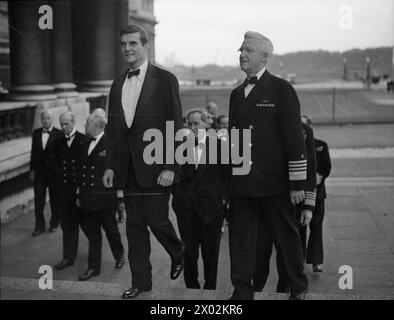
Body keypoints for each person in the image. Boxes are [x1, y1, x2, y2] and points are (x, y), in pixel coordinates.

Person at [103, 24, 184, 299]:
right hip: (127, 170)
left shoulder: (165, 79)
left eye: (133, 44)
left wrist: (171, 166)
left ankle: (178, 251)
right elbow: (113, 130)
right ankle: (141, 283)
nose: (127, 48)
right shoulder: (117, 84)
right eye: (123, 44)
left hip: (157, 166)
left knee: (158, 220)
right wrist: (110, 167)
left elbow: (175, 124)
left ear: (144, 46)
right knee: (135, 228)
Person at [228, 31, 308, 300]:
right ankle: (242, 291)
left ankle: (298, 288)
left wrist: (297, 183)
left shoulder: (282, 89)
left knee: (287, 238)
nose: (242, 54)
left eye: (248, 50)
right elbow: (235, 142)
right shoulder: (236, 94)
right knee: (240, 241)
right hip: (243, 183)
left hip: (274, 183)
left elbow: (294, 138)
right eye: (241, 50)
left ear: (265, 56)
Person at [253, 120, 317, 293]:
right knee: (259, 256)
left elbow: (310, 168)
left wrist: (308, 206)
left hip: (291, 204)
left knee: (288, 256)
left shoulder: (304, 130)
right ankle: (254, 292)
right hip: (263, 202)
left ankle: (285, 293)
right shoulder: (258, 124)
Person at [172, 108, 227, 290]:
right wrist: (180, 198)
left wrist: (222, 201)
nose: (193, 127)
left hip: (212, 210)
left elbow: (227, 178)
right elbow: (174, 178)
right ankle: (192, 289)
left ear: (207, 124)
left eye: (197, 123)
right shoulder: (179, 148)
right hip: (186, 210)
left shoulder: (220, 147)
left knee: (211, 253)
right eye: (189, 124)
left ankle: (210, 288)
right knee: (189, 253)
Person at [77, 113, 125, 281]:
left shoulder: (110, 144)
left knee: (111, 231)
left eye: (87, 124)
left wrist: (120, 199)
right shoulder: (84, 143)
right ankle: (93, 267)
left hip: (104, 199)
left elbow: (117, 173)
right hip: (88, 198)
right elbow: (81, 171)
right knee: (93, 234)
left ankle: (119, 255)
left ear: (96, 125)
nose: (85, 127)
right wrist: (79, 194)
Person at [53, 112, 85, 270]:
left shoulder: (83, 140)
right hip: (65, 191)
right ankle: (68, 257)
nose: (63, 127)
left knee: (91, 226)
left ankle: (116, 253)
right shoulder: (58, 142)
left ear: (73, 122)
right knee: (67, 225)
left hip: (80, 191)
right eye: (61, 124)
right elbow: (57, 165)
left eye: (66, 124)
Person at [302, 115, 331, 272]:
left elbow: (326, 167)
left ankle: (315, 260)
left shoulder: (321, 145)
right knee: (299, 228)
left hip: (317, 193)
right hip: (300, 193)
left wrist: (318, 177)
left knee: (316, 227)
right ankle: (299, 258)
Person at [30, 109, 63, 236]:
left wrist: (60, 172)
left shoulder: (59, 134)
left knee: (55, 200)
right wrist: (32, 170)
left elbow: (61, 155)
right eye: (44, 118)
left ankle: (54, 223)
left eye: (48, 118)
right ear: (41, 120)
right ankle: (39, 226)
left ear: (52, 119)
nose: (46, 120)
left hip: (54, 173)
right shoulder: (36, 133)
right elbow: (33, 153)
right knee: (38, 201)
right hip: (39, 173)